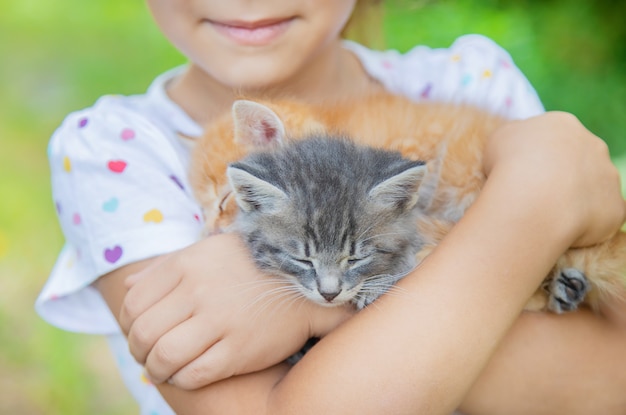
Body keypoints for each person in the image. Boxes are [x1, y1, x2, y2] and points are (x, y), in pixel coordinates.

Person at [35, 1, 626, 414]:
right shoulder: (119, 149)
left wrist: (307, 316)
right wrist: (532, 202)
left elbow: (611, 382)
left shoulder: (470, 79)